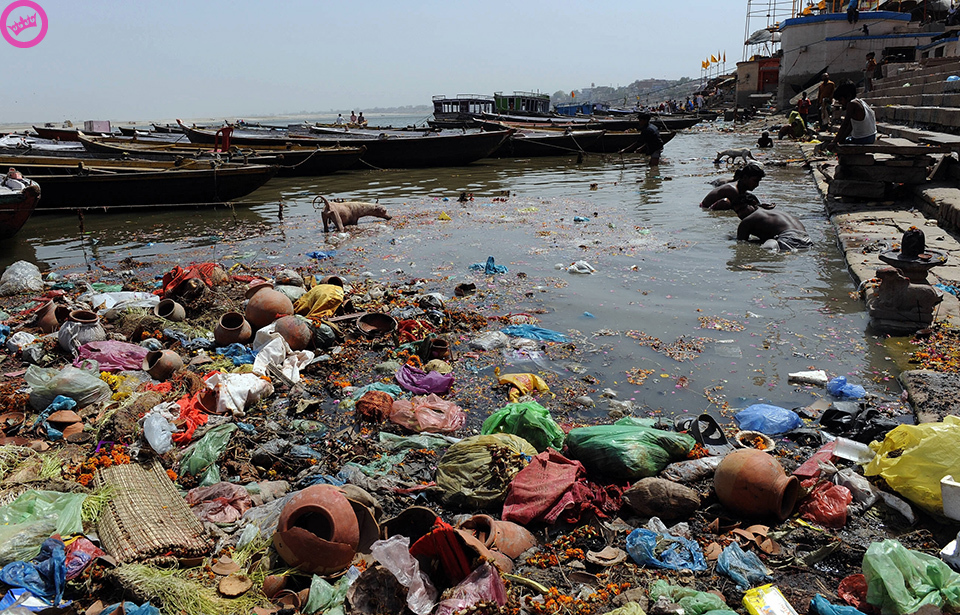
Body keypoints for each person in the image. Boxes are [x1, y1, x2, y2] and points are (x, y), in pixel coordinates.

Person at [700, 161, 772, 211]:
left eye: (758, 181)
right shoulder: (732, 190)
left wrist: (760, 205)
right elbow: (743, 206)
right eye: (755, 181)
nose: (757, 185)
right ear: (745, 178)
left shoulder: (741, 188)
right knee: (726, 202)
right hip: (706, 208)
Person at [736, 206, 813, 252]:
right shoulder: (774, 213)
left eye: (741, 209)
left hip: (788, 238)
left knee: (768, 245)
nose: (739, 214)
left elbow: (741, 241)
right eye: (737, 212)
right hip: (807, 240)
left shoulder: (748, 220)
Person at [829, 80, 876, 147]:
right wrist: (840, 140)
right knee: (843, 141)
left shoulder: (852, 104)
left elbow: (845, 124)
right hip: (870, 137)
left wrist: (834, 142)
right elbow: (850, 127)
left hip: (862, 139)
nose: (840, 103)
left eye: (841, 100)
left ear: (848, 96)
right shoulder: (860, 101)